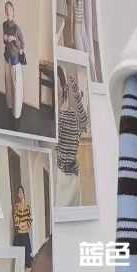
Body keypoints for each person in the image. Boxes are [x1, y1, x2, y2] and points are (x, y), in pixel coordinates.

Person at [55, 67, 89, 207]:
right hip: (58, 176)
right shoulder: (53, 118)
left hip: (72, 178)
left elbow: (84, 122)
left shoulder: (72, 116)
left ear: (64, 89)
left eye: (57, 86)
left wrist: (76, 94)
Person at [2, 0, 26, 118]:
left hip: (15, 59)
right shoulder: (4, 25)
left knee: (16, 86)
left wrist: (14, 39)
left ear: (13, 11)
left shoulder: (17, 28)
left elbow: (23, 44)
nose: (8, 11)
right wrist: (5, 38)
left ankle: (16, 113)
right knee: (8, 83)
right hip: (7, 57)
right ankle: (9, 105)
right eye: (6, 9)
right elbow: (4, 41)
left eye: (10, 9)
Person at [11, 180, 32, 269]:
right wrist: (21, 224)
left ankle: (26, 265)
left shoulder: (28, 206)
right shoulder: (16, 206)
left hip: (25, 233)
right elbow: (16, 220)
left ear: (23, 193)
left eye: (21, 192)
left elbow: (30, 219)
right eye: (18, 192)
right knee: (18, 253)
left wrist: (24, 225)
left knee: (27, 255)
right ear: (17, 195)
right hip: (19, 234)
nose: (20, 194)